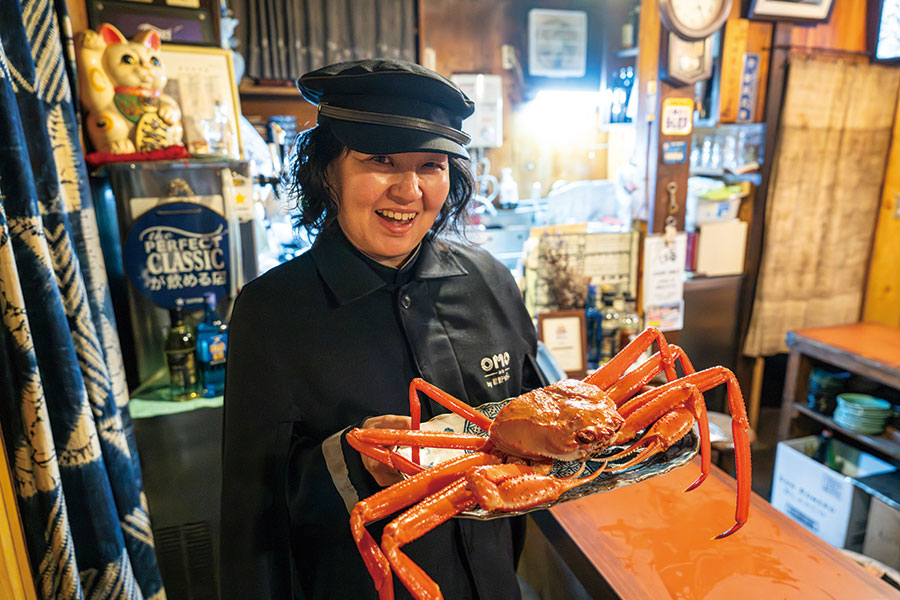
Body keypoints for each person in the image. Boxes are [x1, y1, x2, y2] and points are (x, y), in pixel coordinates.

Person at [220, 58, 547, 600]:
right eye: (379, 160)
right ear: (328, 171)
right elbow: (256, 514)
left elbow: (532, 432)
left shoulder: (490, 281)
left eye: (431, 166)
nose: (409, 190)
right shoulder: (272, 312)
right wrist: (356, 462)